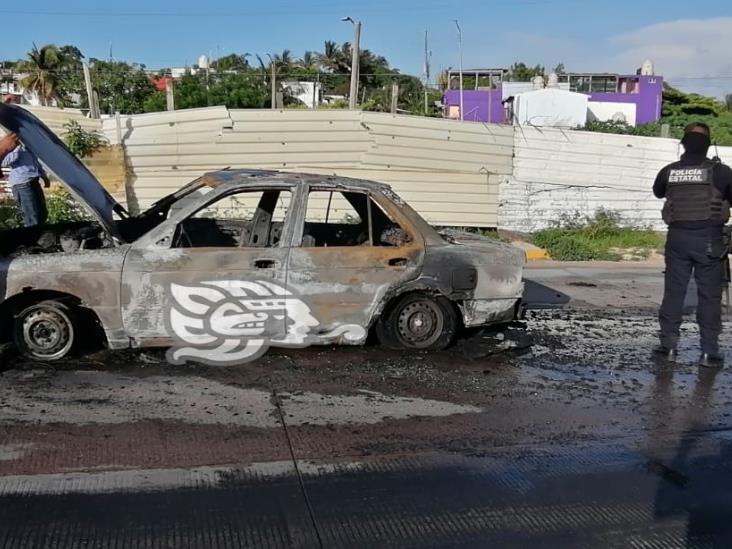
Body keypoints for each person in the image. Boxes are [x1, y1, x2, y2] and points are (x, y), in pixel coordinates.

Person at [653, 122, 732, 367]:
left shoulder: (669, 171)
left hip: (677, 239)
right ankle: (709, 351)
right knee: (709, 296)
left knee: (674, 292)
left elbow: (658, 192)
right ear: (708, 143)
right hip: (709, 239)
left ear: (683, 143)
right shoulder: (721, 172)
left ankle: (668, 347)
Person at [1, 141, 50, 227]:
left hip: (33, 181)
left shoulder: (29, 146)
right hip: (22, 184)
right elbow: (5, 162)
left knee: (42, 214)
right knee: (32, 217)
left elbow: (36, 163)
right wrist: (17, 147)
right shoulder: (10, 146)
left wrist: (44, 176)